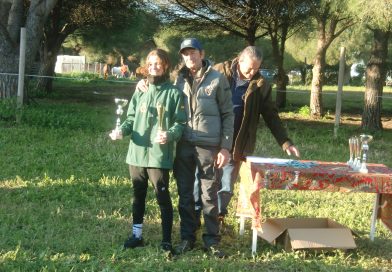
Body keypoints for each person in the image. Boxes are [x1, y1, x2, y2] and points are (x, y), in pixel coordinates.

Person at [194, 46, 300, 226]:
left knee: (226, 184)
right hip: (209, 138)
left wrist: (285, 141)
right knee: (202, 179)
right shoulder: (217, 71)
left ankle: (216, 220)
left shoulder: (261, 85)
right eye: (249, 68)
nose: (252, 72)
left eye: (256, 69)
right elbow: (189, 84)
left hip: (237, 143)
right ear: (239, 60)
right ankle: (194, 217)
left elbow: (271, 115)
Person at [109, 49, 187, 253]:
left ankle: (166, 240)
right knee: (138, 195)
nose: (154, 67)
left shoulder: (174, 93)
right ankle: (137, 235)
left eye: (158, 63)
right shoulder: (140, 89)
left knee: (162, 196)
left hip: (159, 155)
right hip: (136, 152)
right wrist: (121, 132)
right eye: (151, 63)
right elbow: (131, 119)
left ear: (166, 66)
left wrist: (168, 135)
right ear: (147, 65)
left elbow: (180, 124)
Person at [173, 38, 234, 258]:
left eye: (193, 53)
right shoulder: (177, 80)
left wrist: (225, 147)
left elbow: (228, 113)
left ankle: (212, 240)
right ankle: (187, 238)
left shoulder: (217, 79)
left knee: (208, 194)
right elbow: (159, 93)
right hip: (183, 144)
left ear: (202, 53)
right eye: (185, 53)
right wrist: (143, 84)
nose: (190, 57)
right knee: (186, 193)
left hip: (209, 145)